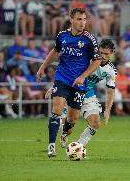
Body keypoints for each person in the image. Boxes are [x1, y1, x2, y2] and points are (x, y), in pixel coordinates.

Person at [36, 8, 102, 157]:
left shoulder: (89, 39)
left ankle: (65, 133)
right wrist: (42, 67)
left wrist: (83, 76)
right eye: (79, 19)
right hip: (62, 78)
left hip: (78, 83)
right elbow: (55, 51)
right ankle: (51, 147)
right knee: (57, 108)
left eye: (84, 19)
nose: (82, 22)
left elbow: (97, 61)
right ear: (71, 19)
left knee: (72, 120)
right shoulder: (62, 35)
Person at [46, 39, 117, 149]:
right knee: (68, 128)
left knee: (95, 123)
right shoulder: (88, 58)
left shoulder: (111, 70)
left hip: (88, 94)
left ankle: (77, 148)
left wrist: (107, 110)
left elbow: (111, 92)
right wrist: (55, 86)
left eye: (106, 54)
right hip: (73, 90)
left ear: (112, 53)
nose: (102, 56)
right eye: (101, 52)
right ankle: (64, 132)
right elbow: (68, 71)